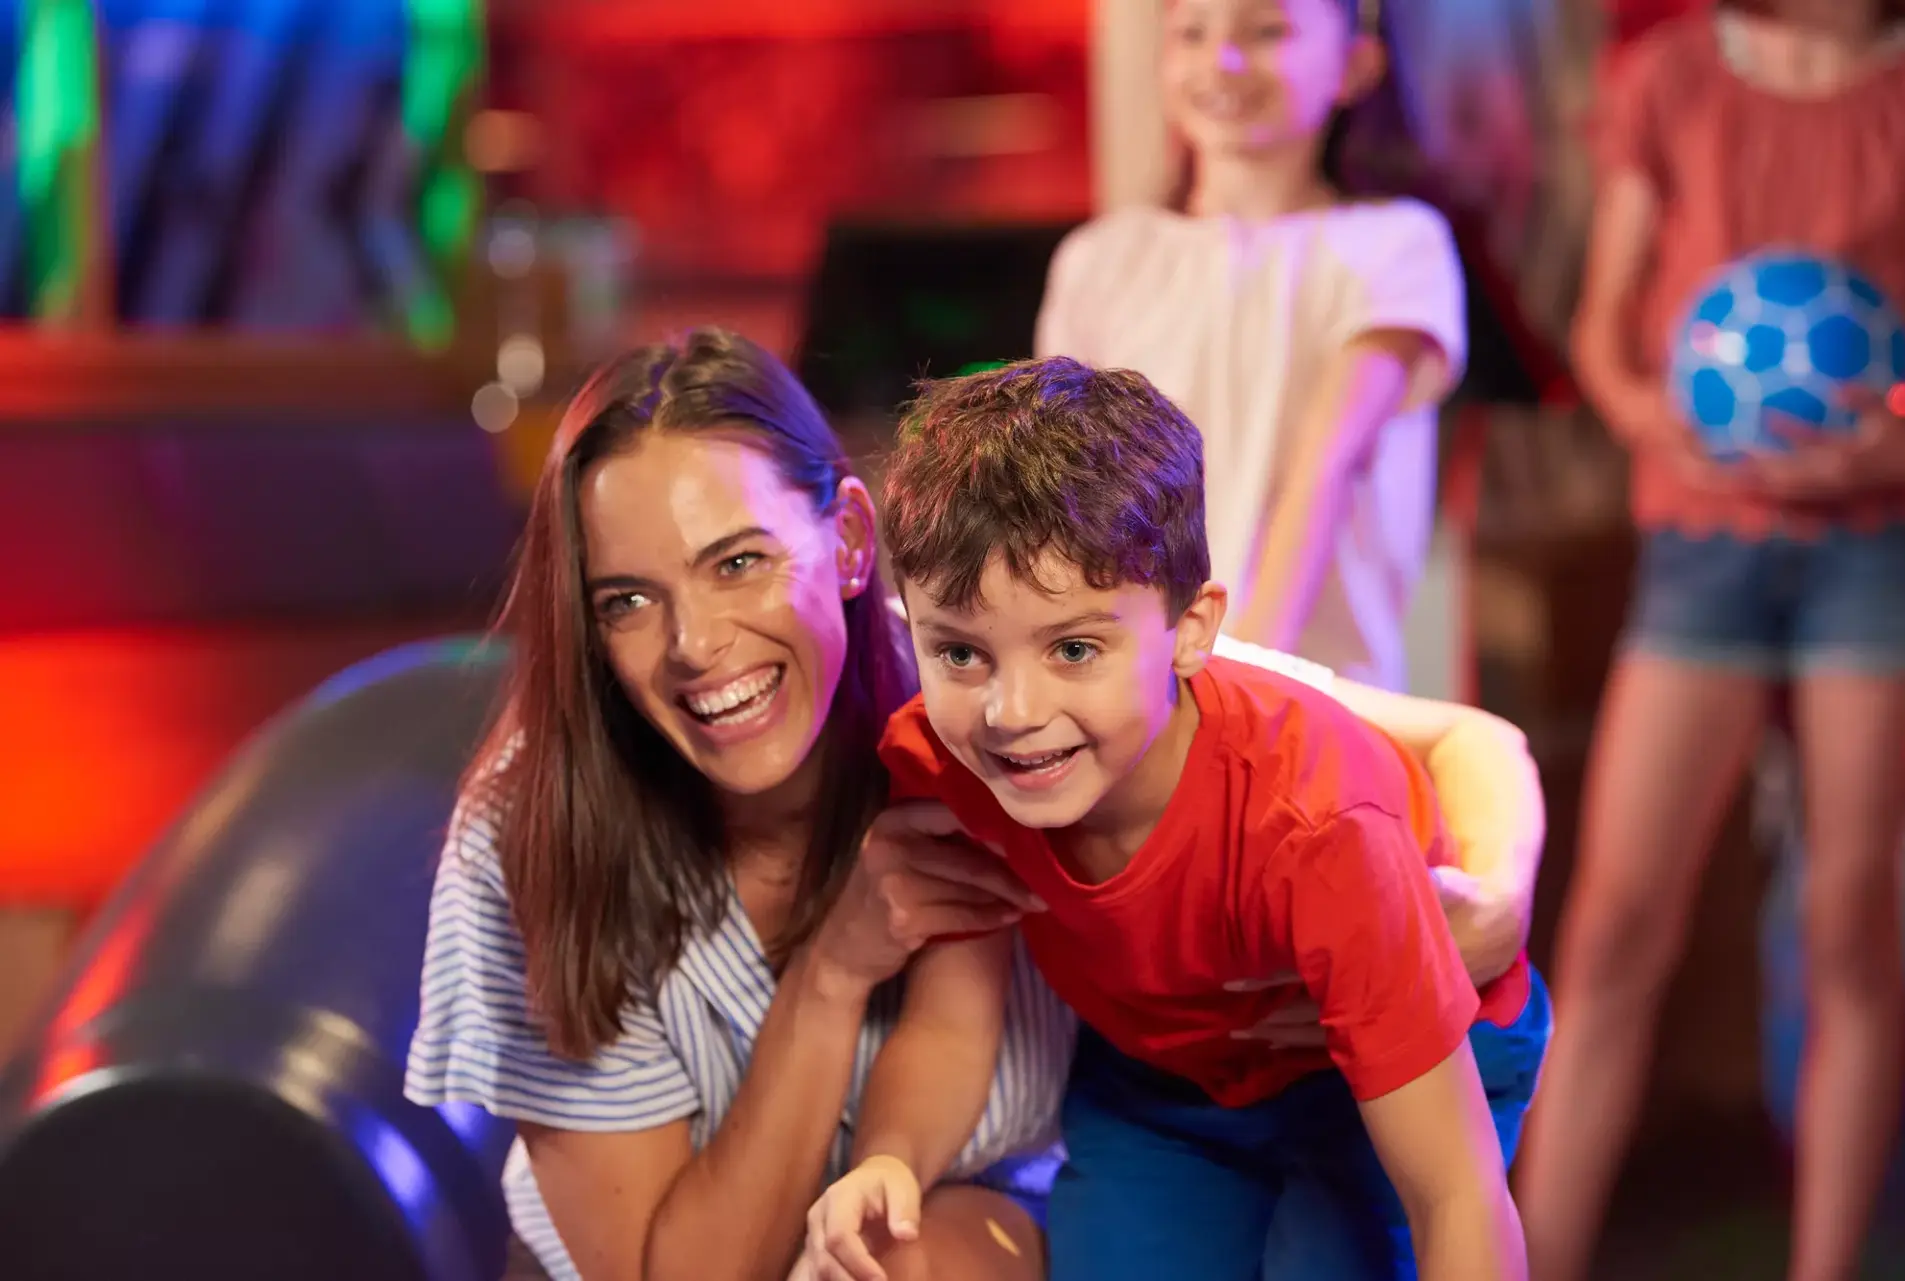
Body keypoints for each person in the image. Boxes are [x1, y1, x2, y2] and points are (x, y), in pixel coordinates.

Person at [402, 330, 1546, 1281]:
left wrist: (1487, 895)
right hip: (1130, 1118)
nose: (697, 645)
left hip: (1305, 1079)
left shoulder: (1063, 663)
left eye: (740, 561)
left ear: (848, 543)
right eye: (629, 599)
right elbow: (952, 1020)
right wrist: (841, 985)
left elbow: (1457, 739)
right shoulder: (965, 731)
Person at [802, 358, 1543, 1281]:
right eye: (959, 652)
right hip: (1168, 1072)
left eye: (1074, 647)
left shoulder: (1312, 822)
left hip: (1401, 1058)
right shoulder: (947, 763)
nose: (1011, 710)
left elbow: (1456, 1193)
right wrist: (891, 1157)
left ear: (1192, 631)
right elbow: (957, 1017)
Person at [1514, 6, 1905, 1281]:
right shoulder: (1671, 78)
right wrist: (1659, 424)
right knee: (1617, 925)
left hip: (1879, 551)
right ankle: (1535, 1256)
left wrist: (1902, 447)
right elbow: (1604, 332)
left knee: (1852, 919)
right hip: (1703, 551)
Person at [1037, 0, 1466, 691]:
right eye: (1192, 33)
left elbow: (1322, 470)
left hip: (1312, 693)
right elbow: (1072, 500)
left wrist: (1237, 683)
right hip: (1140, 700)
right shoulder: (1100, 261)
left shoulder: (1393, 245)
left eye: (1266, 31)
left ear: (1355, 65)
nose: (1223, 60)